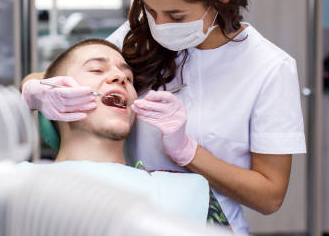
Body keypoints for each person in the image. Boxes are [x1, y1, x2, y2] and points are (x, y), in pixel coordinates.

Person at [21, 0, 306, 234]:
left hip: (204, 222)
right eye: (149, 9)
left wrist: (188, 152)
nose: (159, 25)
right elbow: (70, 70)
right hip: (124, 216)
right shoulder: (141, 35)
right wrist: (36, 89)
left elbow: (269, 195)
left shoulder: (270, 69)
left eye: (176, 15)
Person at [22, 38, 230, 228]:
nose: (120, 77)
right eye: (96, 70)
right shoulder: (14, 185)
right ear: (55, 94)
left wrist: (186, 149)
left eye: (128, 78)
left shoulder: (189, 192)